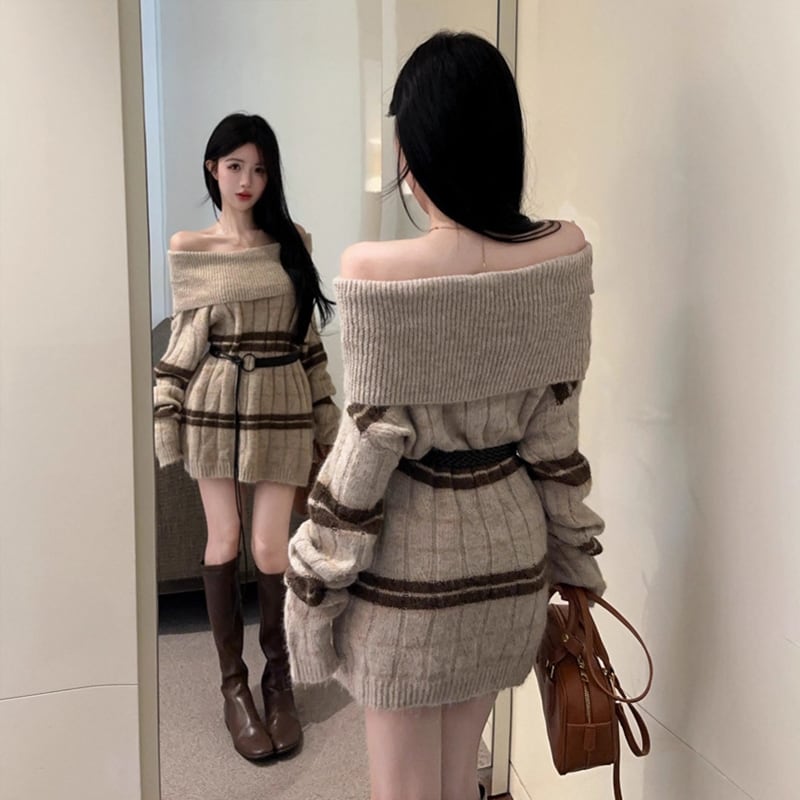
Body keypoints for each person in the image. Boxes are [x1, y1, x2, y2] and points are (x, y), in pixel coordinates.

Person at [283, 32, 607, 800]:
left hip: (409, 581)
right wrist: (578, 564)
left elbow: (362, 462)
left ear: (419, 148)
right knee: (461, 779)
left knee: (402, 791)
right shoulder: (563, 254)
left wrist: (310, 590)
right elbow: (555, 445)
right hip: (509, 569)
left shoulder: (376, 272)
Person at [153, 113, 339, 761]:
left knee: (268, 546)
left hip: (282, 401)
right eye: (235, 166)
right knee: (224, 538)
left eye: (259, 169)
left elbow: (307, 340)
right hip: (215, 403)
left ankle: (278, 681)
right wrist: (167, 410)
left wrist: (328, 421)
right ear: (213, 168)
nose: (247, 180)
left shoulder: (292, 241)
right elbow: (186, 341)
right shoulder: (191, 246)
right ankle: (234, 688)